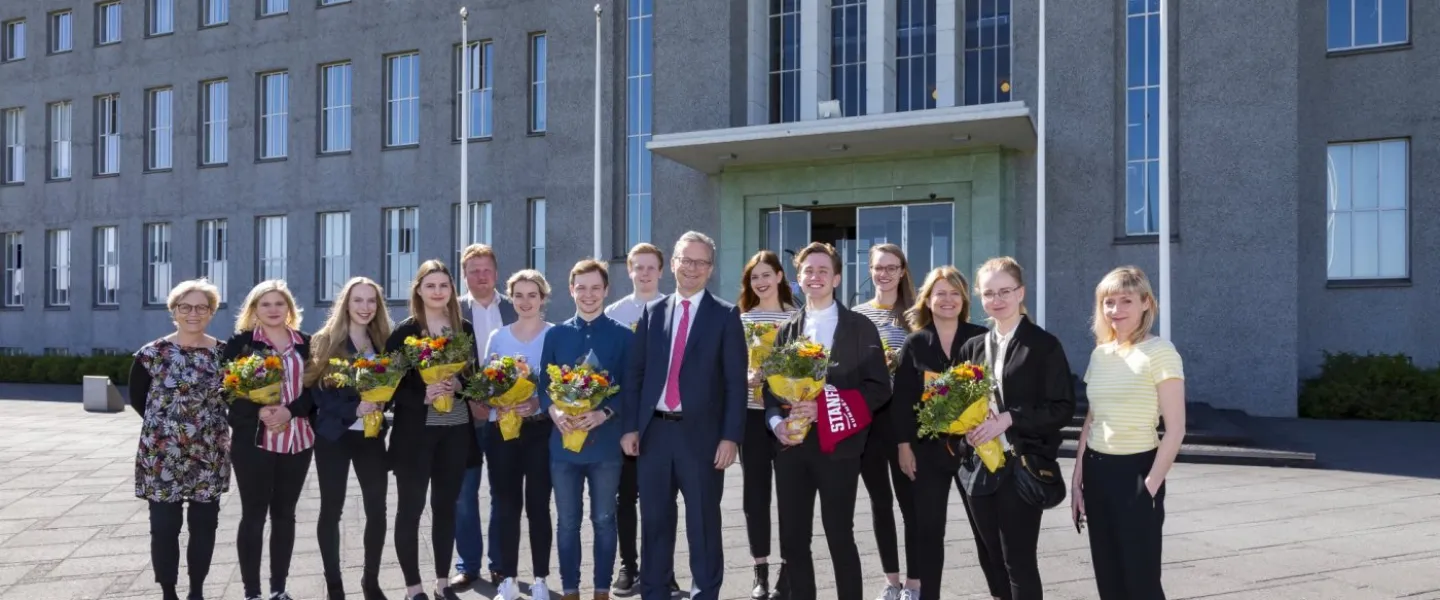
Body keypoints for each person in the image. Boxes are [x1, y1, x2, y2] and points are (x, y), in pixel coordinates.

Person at [620, 231, 746, 600]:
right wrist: (630, 427)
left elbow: (736, 383)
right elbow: (636, 374)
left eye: (700, 262)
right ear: (673, 263)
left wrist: (730, 437)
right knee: (656, 522)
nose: (692, 268)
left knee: (703, 525)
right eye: (685, 260)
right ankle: (654, 592)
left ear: (710, 268)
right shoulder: (653, 311)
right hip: (654, 435)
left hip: (703, 439)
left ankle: (704, 593)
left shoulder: (725, 315)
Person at [764, 242, 891, 600]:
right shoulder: (787, 329)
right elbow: (771, 392)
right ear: (798, 279)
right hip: (792, 447)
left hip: (840, 449)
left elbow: (878, 389)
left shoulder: (860, 327)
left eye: (823, 270)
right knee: (793, 539)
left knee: (838, 534)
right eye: (808, 271)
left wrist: (825, 407)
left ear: (836, 277)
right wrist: (777, 426)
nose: (815, 276)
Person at [954, 257, 1075, 600]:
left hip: (1021, 466)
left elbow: (1062, 407)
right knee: (993, 560)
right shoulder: (973, 347)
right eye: (988, 293)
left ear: (1020, 292)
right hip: (979, 467)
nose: (997, 299)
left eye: (1005, 291)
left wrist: (1011, 418)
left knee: (1018, 562)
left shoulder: (1043, 345)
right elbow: (958, 404)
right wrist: (963, 430)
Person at [1072, 266, 1185, 600]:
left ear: (1146, 303)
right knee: (1108, 577)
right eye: (1109, 302)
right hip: (1096, 472)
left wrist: (1148, 487)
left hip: (1137, 471)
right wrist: (1078, 478)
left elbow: (1176, 429)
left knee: (1141, 581)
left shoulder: (1160, 352)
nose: (1115, 310)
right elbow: (1091, 420)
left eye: (1126, 301)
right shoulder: (1100, 353)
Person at [129, 279, 230, 600]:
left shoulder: (225, 355)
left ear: (212, 312)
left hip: (209, 454)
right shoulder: (151, 354)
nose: (193, 313)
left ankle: (197, 591)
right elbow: (137, 400)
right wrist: (171, 429)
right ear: (174, 310)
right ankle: (169, 592)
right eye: (185, 307)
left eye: (202, 307)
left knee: (204, 526)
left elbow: (234, 397)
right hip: (162, 456)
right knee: (163, 528)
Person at [892, 266, 989, 600]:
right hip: (926, 451)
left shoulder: (981, 339)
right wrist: (904, 447)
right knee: (928, 530)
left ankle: (1000, 593)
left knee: (986, 531)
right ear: (928, 300)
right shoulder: (915, 344)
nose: (947, 300)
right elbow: (902, 402)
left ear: (964, 299)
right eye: (940, 293)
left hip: (976, 449)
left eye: (954, 293)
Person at [386, 260, 481, 600]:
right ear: (419, 291)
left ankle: (442, 580)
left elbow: (475, 380)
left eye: (444, 286)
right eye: (431, 286)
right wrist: (421, 394)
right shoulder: (404, 332)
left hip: (455, 432)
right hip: (415, 436)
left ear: (452, 291)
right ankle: (414, 587)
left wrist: (461, 382)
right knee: (410, 509)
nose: (438, 292)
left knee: (445, 506)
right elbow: (386, 386)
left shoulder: (464, 329)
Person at [540, 259, 633, 600]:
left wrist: (605, 412)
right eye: (582, 287)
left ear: (606, 290)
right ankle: (569, 589)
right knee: (567, 522)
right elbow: (541, 385)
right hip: (563, 445)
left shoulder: (624, 337)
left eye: (596, 288)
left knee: (605, 519)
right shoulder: (556, 334)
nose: (589, 294)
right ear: (571, 290)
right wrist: (554, 410)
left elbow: (630, 387)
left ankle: (601, 589)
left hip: (606, 447)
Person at [222, 280, 316, 600]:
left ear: (289, 309)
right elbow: (228, 390)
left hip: (297, 440)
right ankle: (252, 592)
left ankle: (278, 589)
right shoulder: (240, 344)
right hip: (253, 442)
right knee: (253, 514)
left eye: (280, 304)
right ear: (254, 310)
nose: (274, 310)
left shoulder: (307, 344)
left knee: (284, 515)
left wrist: (290, 411)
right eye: (266, 304)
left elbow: (317, 391)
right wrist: (258, 412)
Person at [308, 277, 395, 600]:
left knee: (377, 510)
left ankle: (370, 581)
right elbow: (318, 397)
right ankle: (334, 585)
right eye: (358, 300)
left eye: (372, 301)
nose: (365, 307)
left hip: (371, 437)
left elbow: (395, 386)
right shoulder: (325, 341)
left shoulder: (384, 341)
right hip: (335, 437)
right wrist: (354, 408)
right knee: (332, 509)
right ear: (346, 303)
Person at [602, 243, 674, 597]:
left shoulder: (674, 309)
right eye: (638, 267)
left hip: (664, 423)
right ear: (628, 271)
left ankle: (664, 569)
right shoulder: (615, 313)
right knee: (625, 497)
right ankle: (628, 566)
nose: (644, 273)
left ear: (662, 271)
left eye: (651, 267)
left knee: (662, 501)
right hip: (626, 422)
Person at [850, 244, 918, 600]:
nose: (885, 273)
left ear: (903, 271)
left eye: (892, 267)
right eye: (878, 267)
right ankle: (892, 582)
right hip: (868, 423)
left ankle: (915, 583)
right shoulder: (856, 315)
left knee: (911, 503)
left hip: (905, 424)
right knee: (880, 503)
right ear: (871, 270)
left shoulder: (916, 315)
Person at [452, 244, 518, 590]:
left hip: (506, 415)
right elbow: (444, 363)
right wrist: (471, 400)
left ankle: (500, 564)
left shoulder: (514, 307)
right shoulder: (452, 311)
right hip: (465, 417)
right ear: (465, 275)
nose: (481, 275)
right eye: (473, 270)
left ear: (496, 272)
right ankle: (468, 564)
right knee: (464, 495)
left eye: (486, 269)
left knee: (503, 492)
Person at [485, 270, 554, 600]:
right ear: (510, 298)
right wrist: (500, 399)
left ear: (543, 298)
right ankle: (508, 580)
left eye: (532, 295)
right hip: (502, 432)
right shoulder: (498, 337)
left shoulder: (555, 335)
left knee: (539, 505)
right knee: (506, 505)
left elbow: (562, 382)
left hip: (541, 431)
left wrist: (539, 401)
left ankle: (540, 578)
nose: (525, 302)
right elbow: (485, 384)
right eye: (519, 295)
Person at [735, 250, 797, 599]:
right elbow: (730, 365)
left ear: (779, 276)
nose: (760, 282)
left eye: (765, 275)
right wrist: (746, 375)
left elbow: (810, 363)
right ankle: (760, 571)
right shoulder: (742, 319)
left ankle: (788, 570)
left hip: (788, 416)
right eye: (753, 277)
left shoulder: (797, 317)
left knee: (790, 496)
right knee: (754, 495)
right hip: (751, 415)